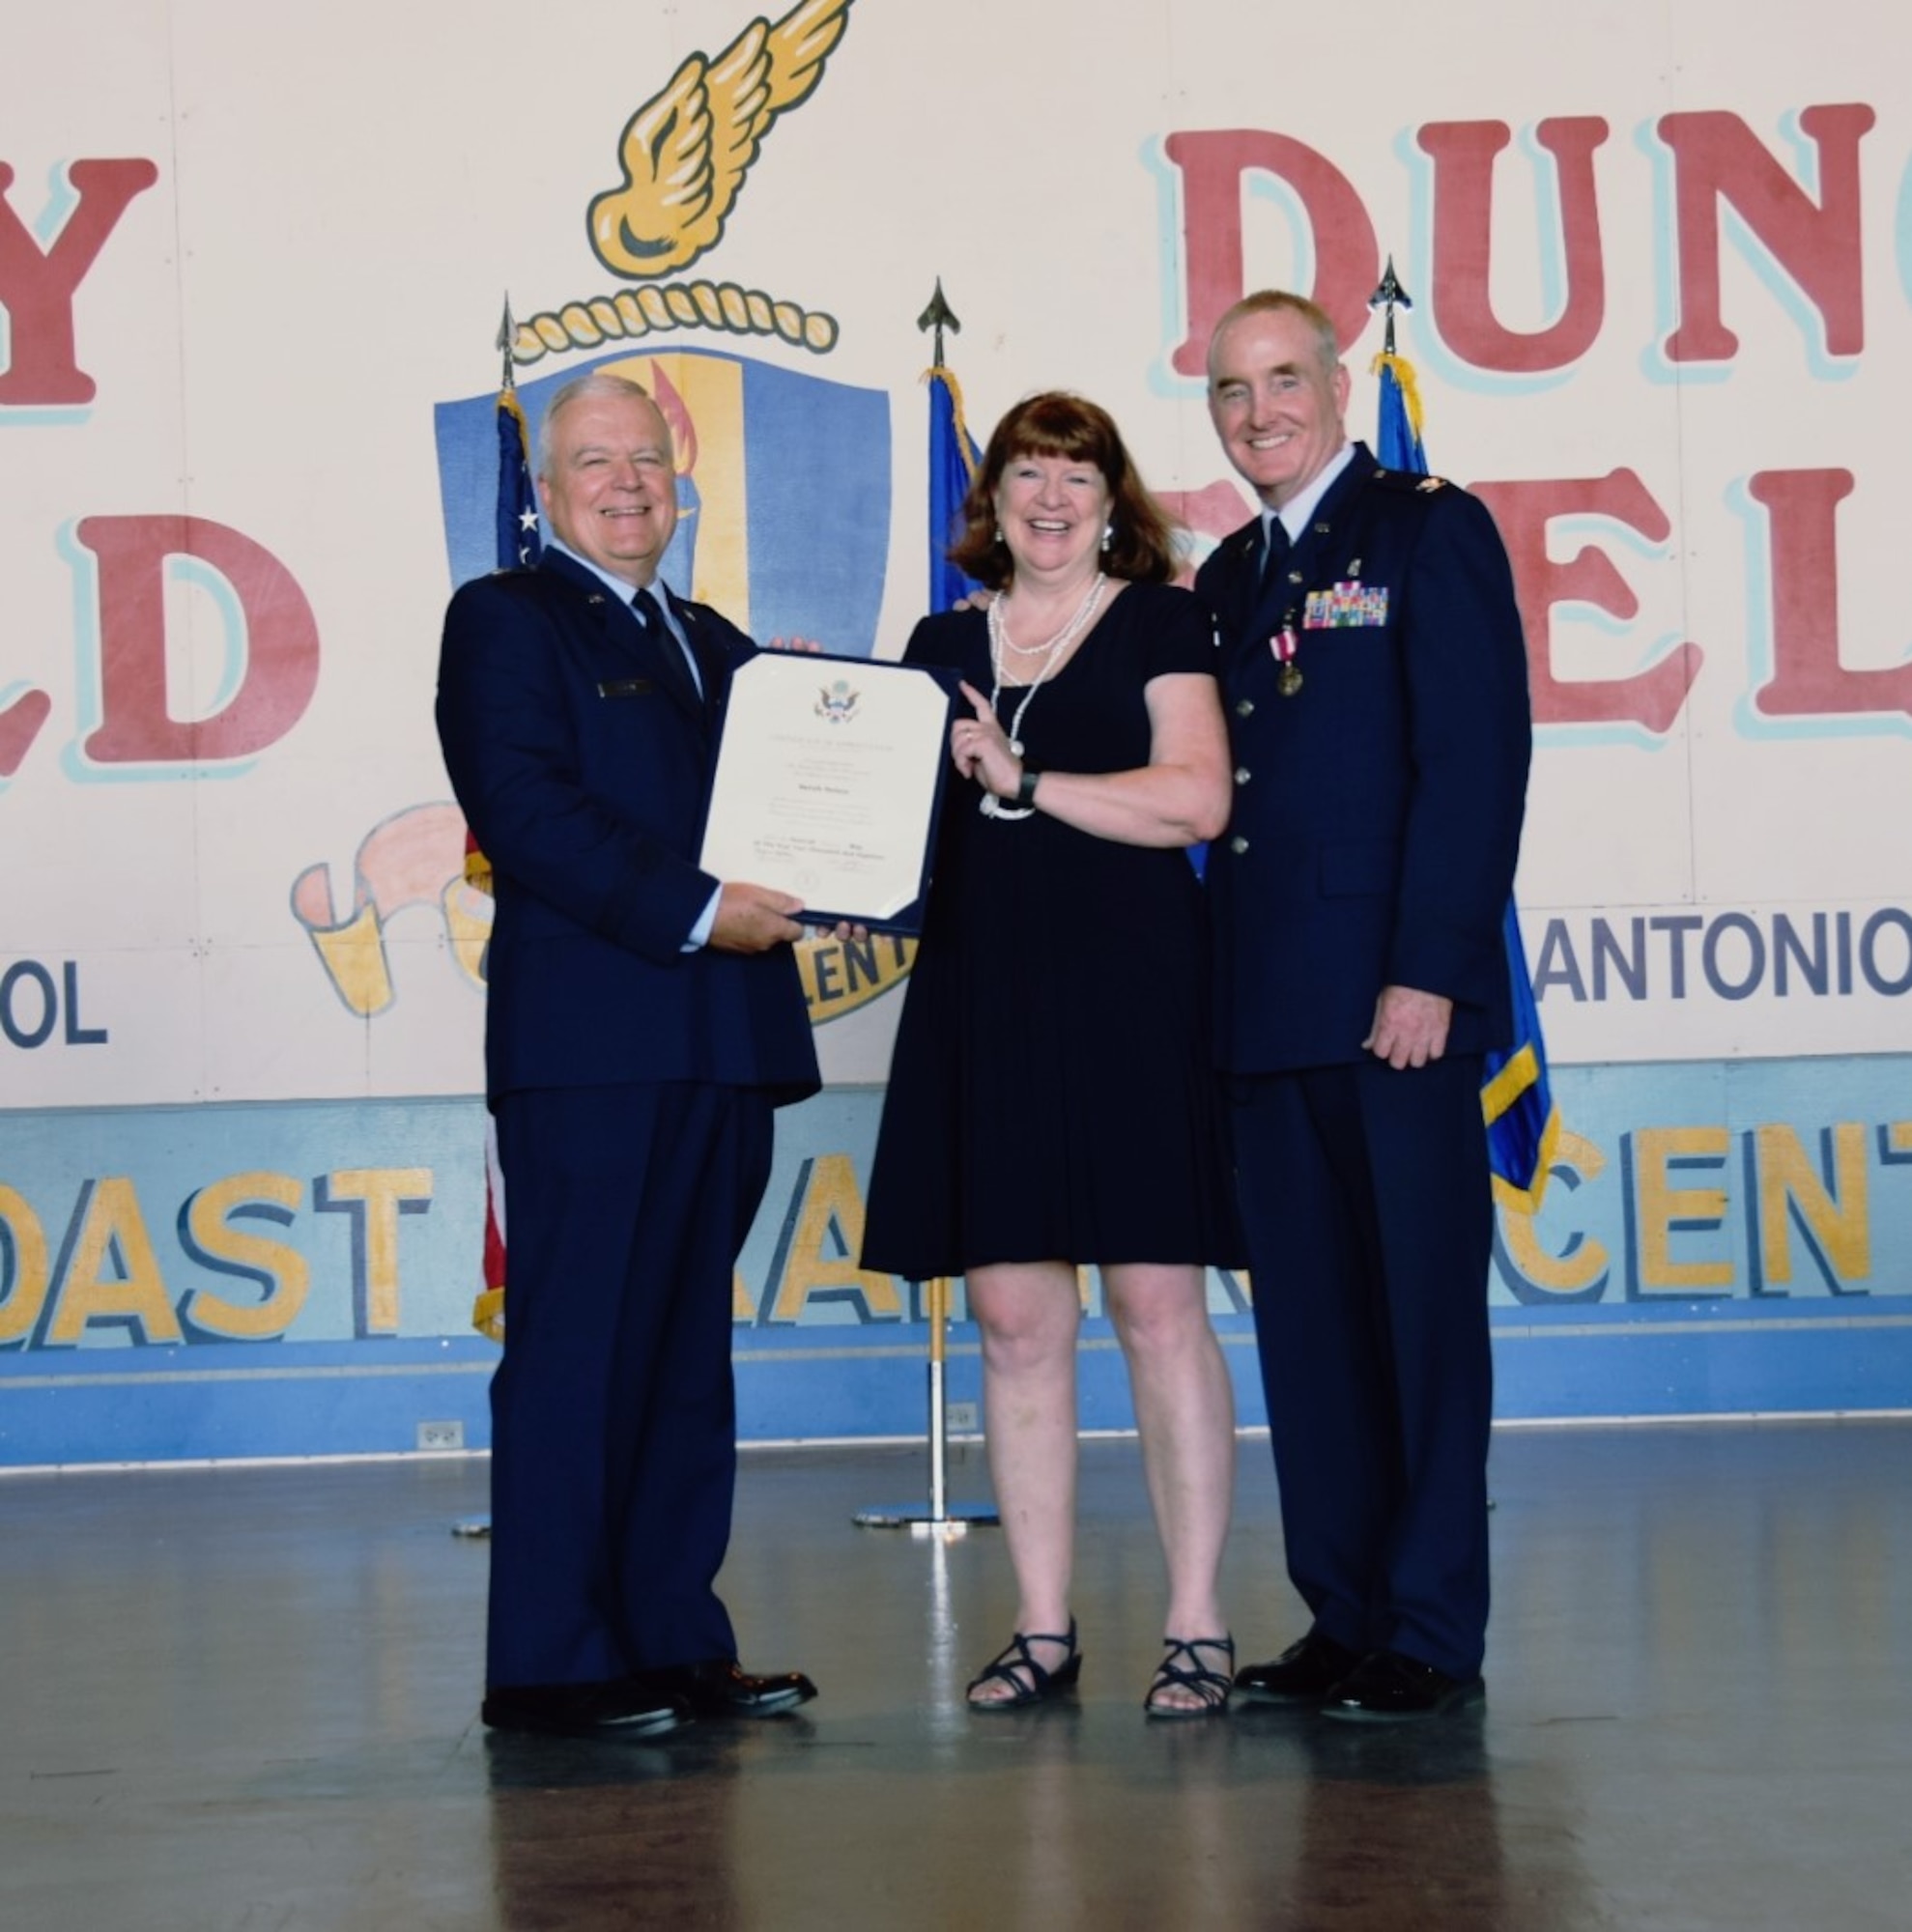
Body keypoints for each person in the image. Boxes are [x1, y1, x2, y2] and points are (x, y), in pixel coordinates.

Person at [436, 370, 822, 1740]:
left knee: (680, 1357)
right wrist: (710, 910)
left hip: (722, 1049)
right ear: (545, 494)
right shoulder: (504, 620)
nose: (625, 483)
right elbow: (526, 813)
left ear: (679, 481)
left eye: (646, 461)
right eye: (594, 463)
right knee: (576, 1351)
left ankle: (671, 1639)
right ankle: (551, 1663)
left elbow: (801, 812)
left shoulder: (720, 643)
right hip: (591, 1052)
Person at [861, 391, 1243, 1719]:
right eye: (1026, 471)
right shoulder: (937, 641)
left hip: (1137, 997)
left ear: (1109, 497)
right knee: (1016, 1322)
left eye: (1074, 474)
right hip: (987, 996)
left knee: (1156, 1309)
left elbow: (1196, 795)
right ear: (995, 501)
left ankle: (1196, 1623)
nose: (1048, 496)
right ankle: (1042, 1629)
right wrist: (813, 740)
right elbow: (886, 829)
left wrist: (1031, 783)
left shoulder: (1160, 617)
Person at [1195, 291, 1531, 1722]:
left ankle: (1432, 1628)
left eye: (1283, 379)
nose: (1259, 409)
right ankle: (1343, 1611)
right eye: (1231, 389)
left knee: (1421, 1324)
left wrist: (1431, 969)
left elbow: (1474, 764)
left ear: (1339, 386)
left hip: (1393, 1003)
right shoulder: (1222, 577)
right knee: (1315, 1334)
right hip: (1265, 1009)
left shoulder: (1423, 527)